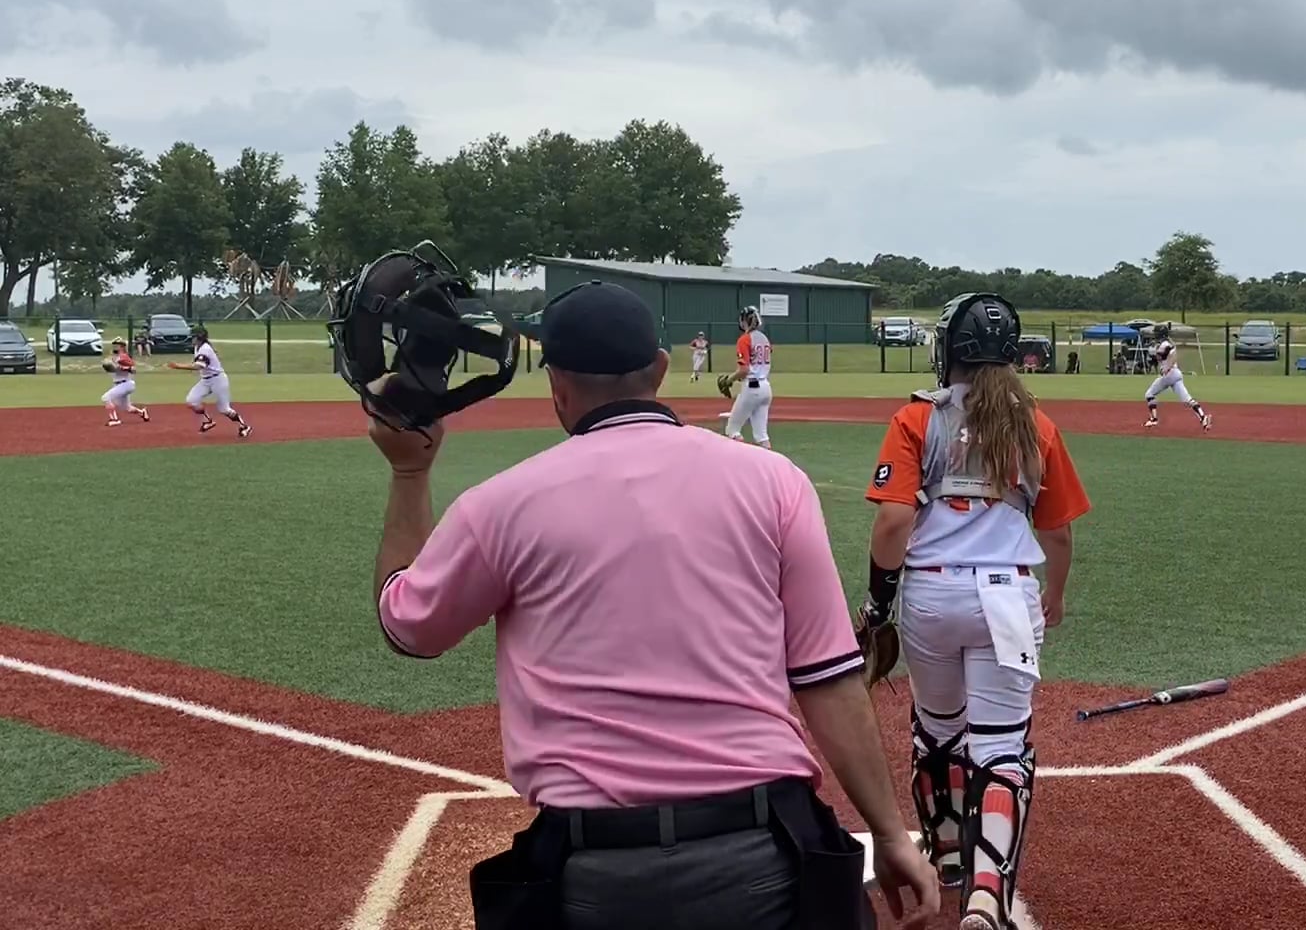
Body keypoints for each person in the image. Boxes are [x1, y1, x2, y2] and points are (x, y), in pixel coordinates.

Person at [366, 281, 939, 930]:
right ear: (661, 369)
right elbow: (828, 678)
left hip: (598, 873)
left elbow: (409, 627)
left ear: (556, 383)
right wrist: (887, 831)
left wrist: (409, 473)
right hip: (765, 854)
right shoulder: (776, 482)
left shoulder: (500, 504)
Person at [855, 292, 1092, 930]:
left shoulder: (917, 418)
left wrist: (878, 603)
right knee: (1001, 746)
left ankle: (948, 856)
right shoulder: (1037, 425)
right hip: (1008, 596)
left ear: (948, 350)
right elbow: (1058, 532)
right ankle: (988, 895)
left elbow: (892, 524)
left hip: (932, 595)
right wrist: (1056, 594)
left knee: (937, 729)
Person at [166, 327, 250, 438]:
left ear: (199, 338)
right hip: (206, 380)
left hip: (218, 380)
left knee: (224, 409)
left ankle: (244, 426)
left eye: (193, 336)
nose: (191, 339)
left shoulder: (205, 349)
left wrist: (178, 366)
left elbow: (198, 366)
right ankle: (208, 421)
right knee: (191, 401)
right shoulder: (198, 347)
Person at [1142, 323, 1212, 431]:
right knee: (1187, 399)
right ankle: (1203, 417)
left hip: (1169, 375)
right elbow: (1172, 353)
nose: (1155, 335)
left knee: (1149, 394)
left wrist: (1166, 366)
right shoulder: (1167, 343)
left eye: (1156, 333)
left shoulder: (1164, 344)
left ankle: (1154, 419)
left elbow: (1165, 355)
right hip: (1175, 374)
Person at [724, 306, 774, 448]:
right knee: (762, 436)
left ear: (743, 321)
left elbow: (744, 370)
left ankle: (738, 459)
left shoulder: (744, 339)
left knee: (732, 430)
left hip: (752, 387)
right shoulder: (764, 338)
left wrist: (729, 380)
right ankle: (768, 459)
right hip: (766, 387)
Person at [101, 338, 149, 427]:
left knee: (106, 398)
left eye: (117, 344)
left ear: (122, 346)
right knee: (127, 408)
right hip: (119, 384)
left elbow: (133, 370)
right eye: (114, 344)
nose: (115, 346)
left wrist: (121, 368)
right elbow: (110, 368)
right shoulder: (113, 357)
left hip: (126, 383)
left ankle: (115, 420)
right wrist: (110, 368)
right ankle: (142, 412)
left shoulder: (123, 357)